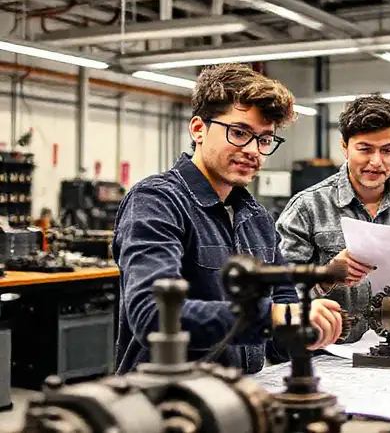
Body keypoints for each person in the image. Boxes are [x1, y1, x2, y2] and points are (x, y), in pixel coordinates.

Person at [113, 63, 343, 375]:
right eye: (238, 133)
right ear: (198, 129)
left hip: (241, 399)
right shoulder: (156, 201)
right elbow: (152, 315)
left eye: (264, 140)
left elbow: (281, 326)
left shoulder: (258, 219)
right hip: (166, 402)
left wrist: (309, 326)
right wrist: (275, 317)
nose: (253, 151)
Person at [276, 94, 390, 343]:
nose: (376, 162)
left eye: (387, 151)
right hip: (329, 356)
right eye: (365, 149)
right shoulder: (308, 207)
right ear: (345, 147)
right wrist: (326, 277)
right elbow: (280, 296)